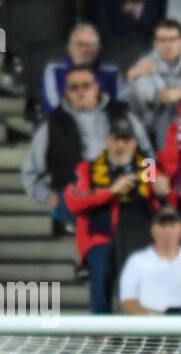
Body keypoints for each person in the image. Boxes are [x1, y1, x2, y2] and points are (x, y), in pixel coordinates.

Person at [24, 67, 154, 233]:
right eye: (74, 87)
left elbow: (149, 156)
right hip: (77, 206)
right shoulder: (51, 126)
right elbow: (29, 174)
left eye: (86, 86)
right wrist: (50, 197)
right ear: (67, 92)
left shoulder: (123, 116)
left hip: (124, 200)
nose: (80, 92)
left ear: (97, 88)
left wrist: (150, 184)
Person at [63, 119, 167, 313]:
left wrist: (164, 193)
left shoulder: (148, 166)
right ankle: (101, 330)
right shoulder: (89, 168)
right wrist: (111, 191)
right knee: (101, 268)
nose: (120, 145)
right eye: (116, 139)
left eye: (126, 140)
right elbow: (73, 201)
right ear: (107, 140)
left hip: (139, 236)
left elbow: (159, 202)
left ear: (134, 142)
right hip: (101, 237)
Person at [119, 207, 181, 314]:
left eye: (172, 225)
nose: (167, 231)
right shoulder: (137, 261)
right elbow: (128, 304)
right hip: (151, 325)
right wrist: (157, 318)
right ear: (152, 230)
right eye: (162, 226)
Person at [40, 22, 126, 117]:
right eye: (79, 44)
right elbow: (52, 107)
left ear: (98, 48)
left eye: (90, 45)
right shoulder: (54, 70)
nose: (85, 50)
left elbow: (122, 106)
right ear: (69, 47)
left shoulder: (112, 72)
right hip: (65, 125)